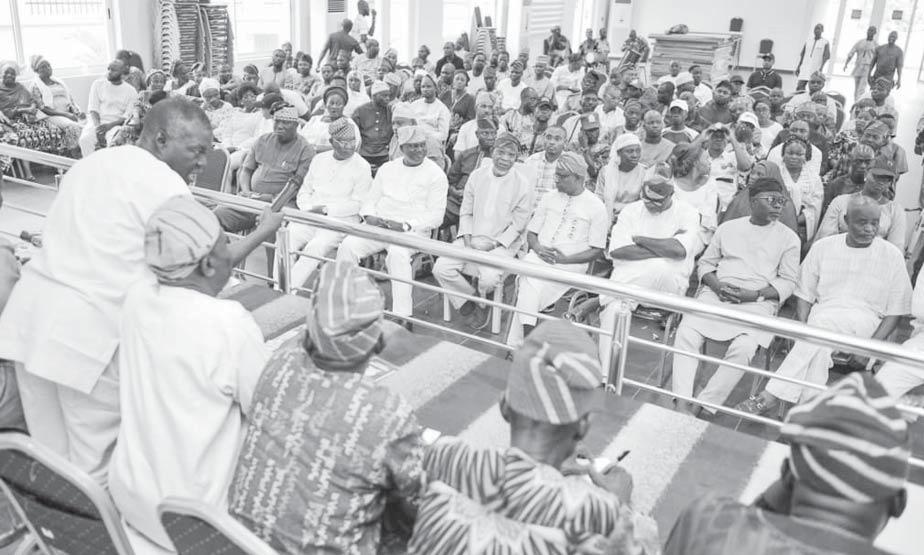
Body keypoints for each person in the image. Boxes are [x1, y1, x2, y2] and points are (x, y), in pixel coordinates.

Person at [0, 98, 282, 485]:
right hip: (87, 340)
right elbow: (210, 263)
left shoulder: (91, 163)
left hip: (30, 320)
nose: (203, 162)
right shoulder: (165, 184)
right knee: (95, 475)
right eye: (196, 150)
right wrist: (265, 230)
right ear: (161, 139)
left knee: (52, 466)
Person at [412, 320, 658, 554]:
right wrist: (621, 503)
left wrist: (547, 475)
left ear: (504, 405)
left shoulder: (444, 457)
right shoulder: (602, 515)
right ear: (583, 426)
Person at [230, 260, 424, 554]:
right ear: (377, 344)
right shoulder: (385, 411)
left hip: (239, 544)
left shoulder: (279, 363)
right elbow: (418, 502)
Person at [108, 196, 269, 549]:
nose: (230, 251)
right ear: (209, 264)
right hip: (198, 520)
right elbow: (266, 408)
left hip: (133, 503)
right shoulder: (228, 322)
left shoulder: (137, 298)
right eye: (226, 243)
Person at [666, 372, 911, 555]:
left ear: (786, 476)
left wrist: (771, 498)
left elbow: (746, 522)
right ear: (899, 503)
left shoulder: (706, 523)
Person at [740, 195, 912, 416]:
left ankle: (769, 396)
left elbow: (896, 310)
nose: (870, 229)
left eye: (875, 223)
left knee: (817, 333)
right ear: (846, 220)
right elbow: (804, 294)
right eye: (862, 222)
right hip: (822, 317)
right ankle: (806, 414)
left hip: (865, 324)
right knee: (818, 347)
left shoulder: (892, 255)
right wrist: (803, 328)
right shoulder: (824, 247)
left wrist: (871, 348)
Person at [671, 178, 800, 415]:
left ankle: (702, 405)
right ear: (753, 202)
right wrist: (717, 286)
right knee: (686, 333)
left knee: (744, 348)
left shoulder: (789, 238)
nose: (778, 205)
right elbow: (706, 264)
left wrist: (755, 294)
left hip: (757, 302)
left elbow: (788, 282)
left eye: (781, 201)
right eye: (771, 199)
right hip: (716, 295)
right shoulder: (728, 228)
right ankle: (681, 402)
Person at [336, 126, 448, 320]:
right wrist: (369, 216)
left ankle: (402, 316)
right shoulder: (387, 169)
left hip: (413, 231)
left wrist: (406, 225)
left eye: (422, 145)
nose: (419, 150)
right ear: (402, 148)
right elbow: (370, 200)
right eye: (413, 146)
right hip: (380, 225)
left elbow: (436, 216)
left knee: (397, 254)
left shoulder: (436, 174)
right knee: (348, 246)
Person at [506, 152, 608, 348]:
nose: (557, 180)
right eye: (556, 175)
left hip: (570, 265)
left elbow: (597, 251)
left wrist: (564, 260)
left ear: (578, 178)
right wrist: (538, 248)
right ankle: (528, 344)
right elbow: (532, 233)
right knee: (530, 279)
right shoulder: (549, 197)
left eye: (562, 176)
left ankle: (521, 344)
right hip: (539, 257)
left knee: (529, 283)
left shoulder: (596, 206)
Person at [598, 176, 700, 370]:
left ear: (671, 195)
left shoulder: (688, 212)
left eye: (657, 201)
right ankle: (606, 375)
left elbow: (679, 251)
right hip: (631, 288)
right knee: (615, 311)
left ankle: (604, 297)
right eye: (647, 199)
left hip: (666, 288)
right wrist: (664, 247)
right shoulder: (632, 210)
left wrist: (640, 240)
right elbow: (617, 251)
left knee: (660, 268)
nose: (651, 204)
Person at [434, 134, 533, 327]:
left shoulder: (522, 184)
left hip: (502, 244)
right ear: (493, 151)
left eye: (511, 155)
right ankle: (470, 300)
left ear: (516, 158)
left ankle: (483, 300)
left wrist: (494, 244)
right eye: (501, 152)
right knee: (441, 268)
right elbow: (466, 211)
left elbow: (519, 224)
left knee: (488, 279)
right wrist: (468, 239)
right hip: (471, 237)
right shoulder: (477, 175)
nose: (505, 159)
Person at [280, 119, 372, 291]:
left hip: (340, 220)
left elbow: (359, 204)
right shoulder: (319, 159)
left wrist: (326, 210)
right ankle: (279, 286)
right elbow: (304, 191)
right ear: (331, 142)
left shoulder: (362, 166)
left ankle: (288, 290)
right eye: (343, 142)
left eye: (352, 142)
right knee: (286, 238)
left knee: (315, 247)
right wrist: (308, 209)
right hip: (310, 215)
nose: (349, 146)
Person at [215, 106, 315, 233]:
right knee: (217, 216)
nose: (280, 126)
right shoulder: (263, 140)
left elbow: (297, 186)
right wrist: (246, 191)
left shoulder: (305, 149)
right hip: (252, 199)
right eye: (277, 121)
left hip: (281, 204)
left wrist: (270, 198)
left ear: (296, 125)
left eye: (286, 122)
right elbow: (246, 171)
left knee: (272, 227)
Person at [817, 160, 905, 251]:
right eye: (877, 177)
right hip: (837, 254)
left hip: (876, 257)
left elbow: (895, 248)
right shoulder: (841, 202)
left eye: (887, 179)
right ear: (866, 173)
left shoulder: (895, 211)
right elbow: (825, 237)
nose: (881, 182)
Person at [444, 118, 497, 229]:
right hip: (456, 203)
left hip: (479, 208)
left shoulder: (498, 159)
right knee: (436, 219)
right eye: (485, 133)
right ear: (477, 134)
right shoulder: (466, 154)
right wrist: (454, 192)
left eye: (493, 133)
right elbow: (450, 180)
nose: (490, 137)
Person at [78, 59, 136, 156]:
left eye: (113, 70)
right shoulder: (98, 84)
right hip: (96, 122)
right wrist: (98, 128)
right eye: (108, 69)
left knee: (114, 144)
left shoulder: (131, 91)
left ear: (122, 73)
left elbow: (127, 116)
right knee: (84, 140)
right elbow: (93, 109)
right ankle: (91, 165)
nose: (109, 72)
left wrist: (109, 126)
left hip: (115, 124)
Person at [669, 144, 720, 254]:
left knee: (678, 250)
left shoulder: (711, 184)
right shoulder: (671, 183)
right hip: (671, 228)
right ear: (696, 163)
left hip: (699, 232)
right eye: (706, 158)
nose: (710, 162)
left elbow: (708, 216)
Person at [29, 55, 83, 154]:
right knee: (74, 127)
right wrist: (66, 114)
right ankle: (74, 155)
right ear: (36, 71)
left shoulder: (58, 82)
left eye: (48, 65)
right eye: (43, 67)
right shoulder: (35, 86)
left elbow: (70, 99)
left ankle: (87, 153)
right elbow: (42, 108)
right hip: (51, 115)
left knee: (87, 123)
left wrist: (75, 110)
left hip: (67, 112)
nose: (48, 68)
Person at [777, 136, 823, 242]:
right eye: (790, 153)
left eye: (799, 154)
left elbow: (815, 206)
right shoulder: (776, 174)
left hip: (802, 227)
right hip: (778, 223)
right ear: (783, 155)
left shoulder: (814, 179)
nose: (794, 157)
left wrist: (797, 221)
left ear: (806, 157)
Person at [214, 82, 263, 170]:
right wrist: (228, 146)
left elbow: (257, 137)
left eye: (252, 96)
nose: (250, 99)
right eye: (246, 97)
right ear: (241, 101)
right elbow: (227, 133)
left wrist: (237, 148)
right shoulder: (236, 114)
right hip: (229, 147)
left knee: (227, 164)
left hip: (245, 149)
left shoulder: (260, 115)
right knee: (214, 157)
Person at [598, 133, 647, 222]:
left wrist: (624, 215)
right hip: (607, 217)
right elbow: (599, 198)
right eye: (630, 151)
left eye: (638, 151)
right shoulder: (606, 171)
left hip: (633, 218)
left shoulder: (644, 172)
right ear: (618, 153)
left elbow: (644, 202)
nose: (635, 155)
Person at [300, 86, 361, 152]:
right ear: (325, 104)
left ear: (344, 106)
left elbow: (349, 148)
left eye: (339, 104)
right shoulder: (314, 120)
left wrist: (317, 149)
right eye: (331, 103)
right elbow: (301, 140)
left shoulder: (348, 123)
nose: (334, 107)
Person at [352, 80, 393, 171]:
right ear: (374, 96)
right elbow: (353, 133)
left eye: (388, 95)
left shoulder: (390, 110)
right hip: (364, 153)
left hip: (385, 154)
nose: (387, 98)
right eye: (384, 96)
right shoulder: (360, 110)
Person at [824, 143, 875, 212]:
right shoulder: (837, 184)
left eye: (867, 162)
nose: (863, 166)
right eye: (858, 161)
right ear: (851, 161)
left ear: (873, 163)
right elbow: (826, 212)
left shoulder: (876, 187)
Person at [523, 125, 567, 203]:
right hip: (530, 207)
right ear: (543, 139)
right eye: (548, 138)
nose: (552, 142)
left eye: (557, 139)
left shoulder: (569, 164)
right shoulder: (531, 161)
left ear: (565, 142)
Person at [498, 87, 539, 159]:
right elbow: (501, 135)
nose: (536, 102)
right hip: (509, 154)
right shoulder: (510, 116)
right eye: (532, 99)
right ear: (523, 99)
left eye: (537, 100)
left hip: (528, 157)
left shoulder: (536, 119)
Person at [410, 73, 451, 143]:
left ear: (435, 88)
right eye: (423, 87)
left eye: (428, 86)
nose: (425, 89)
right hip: (414, 142)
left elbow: (443, 136)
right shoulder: (414, 105)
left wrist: (425, 135)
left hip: (433, 144)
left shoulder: (442, 109)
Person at [452, 91, 495, 156]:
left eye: (490, 107)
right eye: (483, 106)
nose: (487, 110)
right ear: (476, 108)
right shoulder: (466, 128)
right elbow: (458, 155)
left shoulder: (500, 129)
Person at [440, 70, 476, 146]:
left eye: (462, 80)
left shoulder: (470, 99)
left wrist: (457, 128)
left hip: (458, 132)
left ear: (466, 83)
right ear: (453, 80)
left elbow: (470, 119)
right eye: (457, 79)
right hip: (442, 128)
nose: (459, 82)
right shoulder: (446, 94)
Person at [845, 26, 878, 99]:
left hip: (867, 68)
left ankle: (859, 102)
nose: (870, 32)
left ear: (875, 33)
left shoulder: (875, 45)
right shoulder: (860, 42)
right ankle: (855, 101)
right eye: (869, 30)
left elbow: (877, 58)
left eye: (872, 31)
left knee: (862, 88)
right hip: (858, 66)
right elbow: (851, 52)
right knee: (856, 87)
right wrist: (846, 63)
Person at [795, 23, 830, 91]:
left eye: (818, 29)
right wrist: (798, 66)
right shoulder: (808, 41)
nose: (816, 30)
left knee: (814, 88)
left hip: (816, 69)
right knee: (799, 87)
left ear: (822, 30)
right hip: (805, 68)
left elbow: (826, 57)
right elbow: (802, 55)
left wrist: (821, 68)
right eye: (815, 28)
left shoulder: (825, 42)